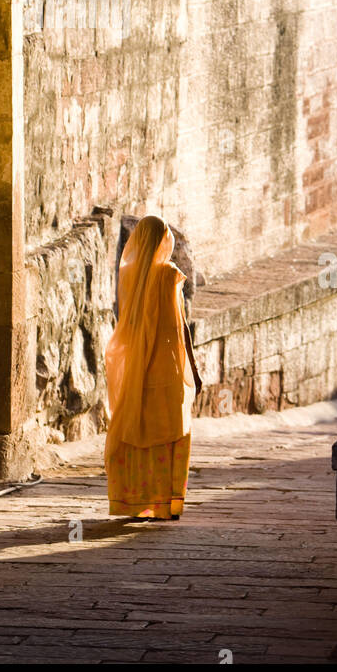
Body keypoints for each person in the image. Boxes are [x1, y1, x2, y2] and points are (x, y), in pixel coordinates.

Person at [105, 215, 203, 520]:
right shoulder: (168, 275)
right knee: (172, 434)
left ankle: (137, 501)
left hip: (139, 368)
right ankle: (167, 503)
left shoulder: (130, 275)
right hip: (167, 369)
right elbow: (180, 325)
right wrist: (194, 369)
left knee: (140, 430)